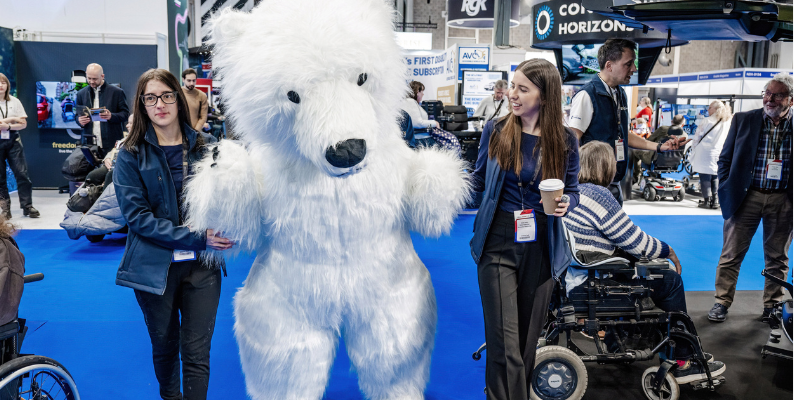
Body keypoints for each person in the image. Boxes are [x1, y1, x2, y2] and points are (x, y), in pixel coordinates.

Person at [113, 68, 234, 400]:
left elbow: (230, 198)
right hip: (155, 267)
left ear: (179, 100)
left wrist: (235, 222)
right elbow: (138, 218)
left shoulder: (207, 147)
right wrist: (197, 237)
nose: (159, 104)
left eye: (166, 95)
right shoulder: (130, 154)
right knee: (165, 350)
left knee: (197, 353)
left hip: (202, 267)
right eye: (150, 98)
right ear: (142, 105)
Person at [563, 141, 726, 383]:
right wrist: (667, 250)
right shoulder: (599, 196)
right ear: (606, 167)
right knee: (669, 280)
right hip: (592, 285)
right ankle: (682, 360)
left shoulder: (573, 194)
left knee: (638, 273)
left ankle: (619, 342)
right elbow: (637, 242)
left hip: (574, 280)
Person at [469, 59, 580, 400]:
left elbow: (573, 190)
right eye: (512, 86)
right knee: (504, 343)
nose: (512, 94)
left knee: (525, 344)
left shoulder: (565, 140)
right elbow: (477, 181)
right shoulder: (496, 129)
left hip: (541, 242)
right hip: (498, 241)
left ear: (544, 96)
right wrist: (439, 185)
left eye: (522, 89)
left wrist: (567, 203)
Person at [708, 72, 793, 323]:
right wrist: (726, 186)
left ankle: (772, 304)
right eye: (767, 93)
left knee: (777, 257)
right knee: (731, 254)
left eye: (777, 95)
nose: (770, 99)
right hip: (746, 197)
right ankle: (721, 301)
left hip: (783, 200)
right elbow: (725, 158)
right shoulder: (744, 120)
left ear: (791, 100)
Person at [567, 38, 685, 205]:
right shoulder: (587, 95)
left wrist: (659, 146)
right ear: (609, 66)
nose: (634, 69)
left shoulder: (620, 94)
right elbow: (572, 140)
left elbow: (623, 135)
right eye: (628, 64)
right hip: (592, 185)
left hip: (614, 181)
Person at [0, 73, 38, 219]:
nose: (1, 85)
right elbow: (16, 122)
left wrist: (8, 125)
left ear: (7, 85)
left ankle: (27, 206)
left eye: (3, 82)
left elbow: (23, 124)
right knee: (0, 178)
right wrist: (13, 119)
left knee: (22, 174)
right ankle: (5, 209)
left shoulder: (15, 101)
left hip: (13, 140)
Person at [76, 63, 130, 156]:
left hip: (111, 144)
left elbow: (125, 114)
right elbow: (77, 116)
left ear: (102, 76)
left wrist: (111, 116)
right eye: (89, 78)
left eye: (94, 79)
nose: (91, 81)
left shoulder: (117, 92)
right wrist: (79, 120)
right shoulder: (81, 94)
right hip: (89, 144)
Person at [687, 101, 732, 209]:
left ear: (716, 109)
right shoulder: (727, 121)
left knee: (705, 177)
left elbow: (697, 137)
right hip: (719, 151)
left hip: (704, 152)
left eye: (710, 107)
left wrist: (693, 149)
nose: (708, 109)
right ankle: (715, 201)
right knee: (715, 176)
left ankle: (707, 201)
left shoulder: (707, 120)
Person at [400, 81, 460, 152]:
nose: (423, 94)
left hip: (423, 138)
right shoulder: (410, 102)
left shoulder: (411, 103)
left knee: (451, 141)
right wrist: (435, 123)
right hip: (422, 140)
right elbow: (417, 123)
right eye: (422, 91)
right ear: (417, 91)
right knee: (451, 143)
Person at [631, 115, 687, 183]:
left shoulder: (662, 129)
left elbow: (649, 141)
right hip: (674, 163)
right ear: (683, 124)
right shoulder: (685, 136)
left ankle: (636, 176)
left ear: (672, 121)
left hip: (654, 160)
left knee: (635, 151)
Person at [181, 68, 209, 133]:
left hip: (195, 132)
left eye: (194, 80)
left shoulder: (202, 95)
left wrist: (195, 132)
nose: (192, 83)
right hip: (178, 132)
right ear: (183, 80)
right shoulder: (177, 93)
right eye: (189, 80)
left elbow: (203, 117)